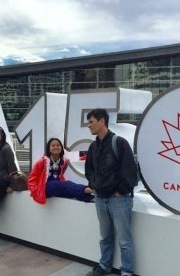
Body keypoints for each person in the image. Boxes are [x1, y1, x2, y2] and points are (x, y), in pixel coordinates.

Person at [84, 108, 137, 276]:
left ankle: (127, 272)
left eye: (91, 121)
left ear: (102, 121)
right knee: (105, 237)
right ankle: (104, 266)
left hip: (118, 199)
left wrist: (120, 191)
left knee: (124, 240)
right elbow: (89, 170)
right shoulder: (93, 147)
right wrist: (95, 185)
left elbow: (130, 170)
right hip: (100, 198)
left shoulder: (119, 142)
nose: (89, 125)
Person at [27, 137, 94, 204]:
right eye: (53, 146)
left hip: (58, 187)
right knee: (62, 184)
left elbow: (82, 156)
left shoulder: (63, 161)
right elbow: (32, 179)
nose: (56, 147)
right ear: (49, 149)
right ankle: (88, 189)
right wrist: (36, 192)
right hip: (46, 187)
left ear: (61, 148)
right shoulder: (42, 161)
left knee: (69, 191)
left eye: (58, 145)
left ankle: (90, 197)